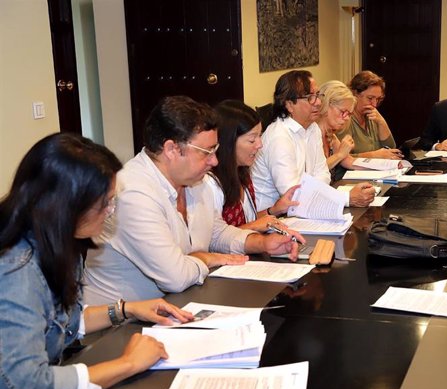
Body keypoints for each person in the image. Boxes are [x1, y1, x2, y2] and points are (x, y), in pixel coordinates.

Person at [0, 133, 194, 389]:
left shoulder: (57, 243)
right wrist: (128, 364)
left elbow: (61, 321)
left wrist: (126, 310)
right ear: (66, 207)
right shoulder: (15, 269)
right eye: (104, 204)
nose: (110, 212)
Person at [84, 96, 302, 305]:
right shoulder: (133, 193)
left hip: (175, 306)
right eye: (206, 152)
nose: (214, 160)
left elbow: (215, 231)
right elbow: (175, 277)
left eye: (215, 150)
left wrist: (261, 243)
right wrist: (205, 258)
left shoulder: (197, 181)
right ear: (171, 149)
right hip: (119, 327)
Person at [251, 70, 375, 211]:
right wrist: (346, 198)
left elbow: (323, 174)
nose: (318, 102)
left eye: (318, 95)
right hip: (271, 218)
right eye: (310, 97)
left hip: (303, 209)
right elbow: (292, 195)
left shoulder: (312, 128)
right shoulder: (279, 137)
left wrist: (317, 192)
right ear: (289, 105)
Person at [209, 99, 299, 231]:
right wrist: (255, 226)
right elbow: (214, 241)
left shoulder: (242, 172)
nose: (260, 144)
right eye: (252, 140)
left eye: (260, 136)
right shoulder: (212, 184)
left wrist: (273, 210)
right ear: (228, 142)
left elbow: (248, 221)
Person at [338, 71, 402, 160]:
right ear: (355, 94)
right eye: (370, 98)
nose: (374, 104)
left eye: (378, 99)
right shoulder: (345, 119)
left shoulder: (371, 116)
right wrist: (374, 155)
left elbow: (391, 149)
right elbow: (342, 158)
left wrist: (381, 122)